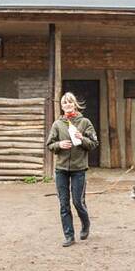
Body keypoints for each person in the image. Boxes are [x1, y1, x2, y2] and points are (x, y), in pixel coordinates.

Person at [46, 92, 99, 247]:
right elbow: (50, 144)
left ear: (75, 104)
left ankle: (85, 224)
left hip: (79, 169)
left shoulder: (84, 122)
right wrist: (59, 145)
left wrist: (82, 138)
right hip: (61, 169)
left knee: (77, 202)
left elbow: (94, 143)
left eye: (70, 102)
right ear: (61, 106)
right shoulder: (57, 124)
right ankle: (69, 236)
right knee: (64, 204)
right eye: (64, 103)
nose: (67, 105)